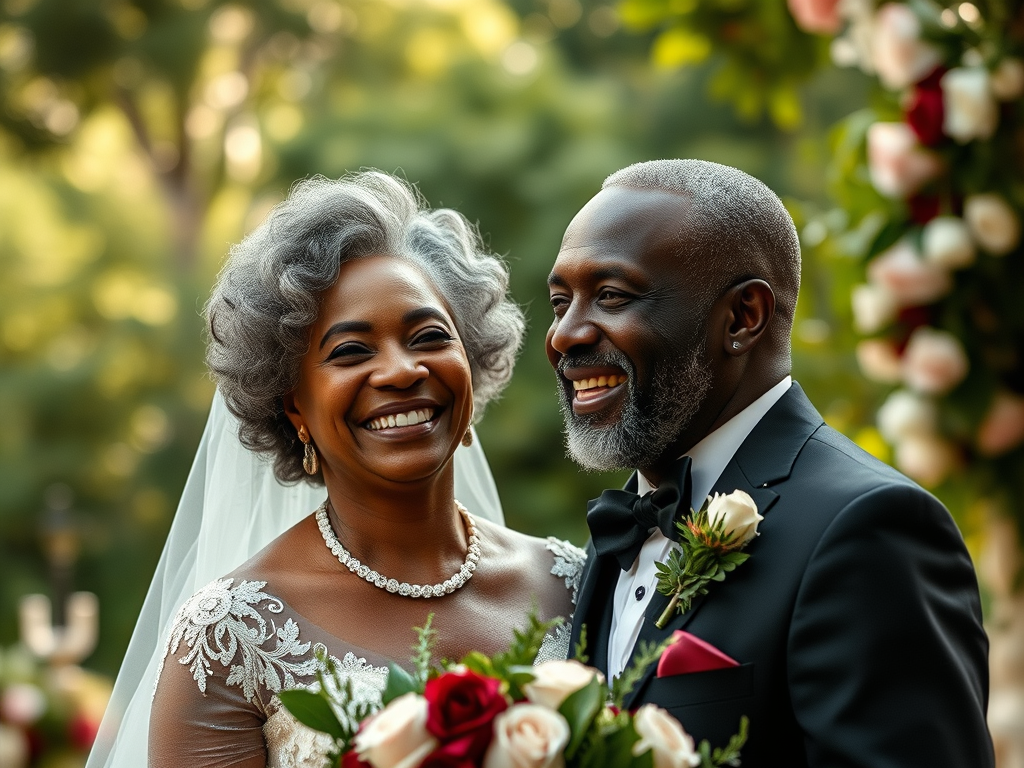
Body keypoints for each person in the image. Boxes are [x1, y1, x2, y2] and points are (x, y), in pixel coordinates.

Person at [88, 172, 584, 768]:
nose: (401, 371)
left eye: (428, 336)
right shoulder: (228, 641)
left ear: (471, 366)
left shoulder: (575, 583)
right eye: (350, 351)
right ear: (293, 406)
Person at [550, 160, 993, 767]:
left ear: (742, 317)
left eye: (611, 297)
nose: (565, 335)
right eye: (560, 303)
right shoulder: (613, 537)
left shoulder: (869, 528)